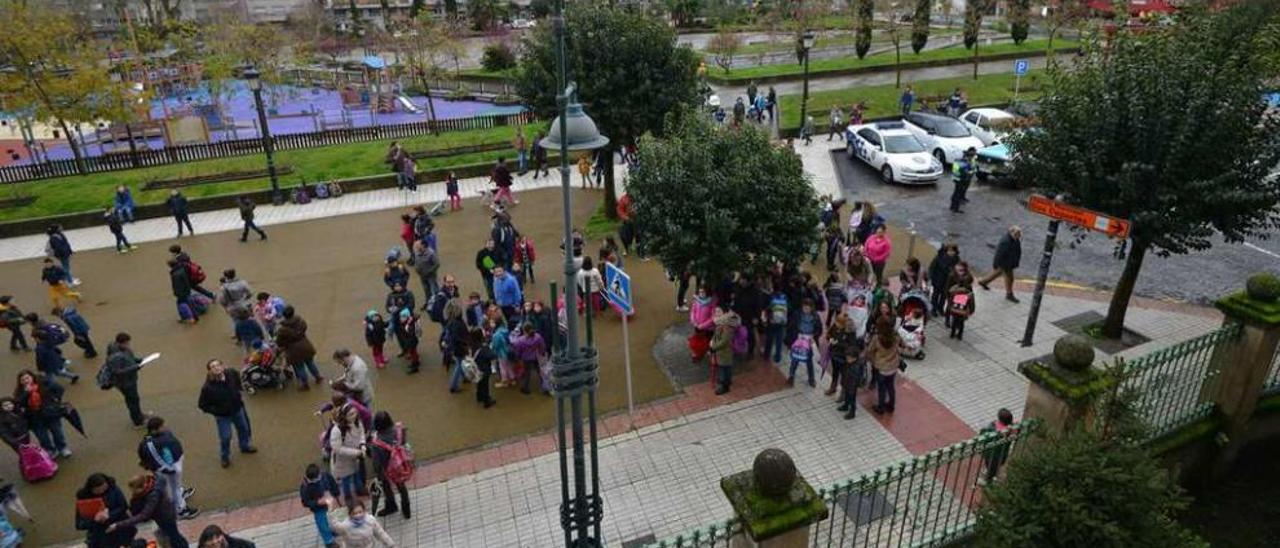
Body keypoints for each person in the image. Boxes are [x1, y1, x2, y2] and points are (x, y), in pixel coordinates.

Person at [197, 360, 257, 468]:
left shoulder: (231, 373)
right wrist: (217, 411)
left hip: (237, 409)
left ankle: (244, 446)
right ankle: (225, 457)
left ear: (222, 366)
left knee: (244, 429)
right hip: (223, 416)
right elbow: (202, 405)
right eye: (213, 367)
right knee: (225, 437)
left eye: (218, 365)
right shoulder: (208, 388)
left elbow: (238, 381)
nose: (216, 368)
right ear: (210, 371)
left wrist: (238, 393)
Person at [136, 416, 198, 519]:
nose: (165, 427)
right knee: (172, 488)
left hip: (174, 463)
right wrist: (167, 469)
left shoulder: (164, 433)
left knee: (177, 485)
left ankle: (180, 494)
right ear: (154, 429)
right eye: (162, 426)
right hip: (167, 469)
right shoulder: (150, 443)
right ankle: (181, 509)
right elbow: (157, 458)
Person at [107, 473, 188, 548]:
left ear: (142, 486)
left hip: (165, 518)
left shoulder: (153, 496)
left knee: (174, 537)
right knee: (172, 535)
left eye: (134, 490)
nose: (133, 492)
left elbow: (144, 515)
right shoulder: (151, 486)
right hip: (165, 515)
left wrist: (118, 525)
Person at [13, 370, 70, 457]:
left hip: (50, 413)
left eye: (27, 378)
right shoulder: (19, 392)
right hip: (34, 417)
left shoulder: (42, 384)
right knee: (43, 437)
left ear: (32, 377)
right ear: (20, 382)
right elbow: (18, 404)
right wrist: (26, 393)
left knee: (57, 432)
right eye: (23, 380)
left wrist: (56, 400)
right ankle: (50, 450)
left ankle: (62, 448)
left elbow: (59, 389)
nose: (26, 381)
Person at [367, 411, 411, 519]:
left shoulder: (377, 442)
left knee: (386, 486)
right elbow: (403, 442)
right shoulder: (398, 430)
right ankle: (406, 510)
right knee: (401, 487)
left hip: (387, 468)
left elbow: (376, 463)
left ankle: (391, 506)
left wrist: (378, 475)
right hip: (399, 464)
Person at [76, 473, 137, 548]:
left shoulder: (113, 488)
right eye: (98, 491)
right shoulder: (84, 498)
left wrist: (109, 515)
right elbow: (79, 524)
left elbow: (123, 506)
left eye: (104, 489)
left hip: (121, 529)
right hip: (101, 536)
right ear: (91, 489)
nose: (102, 492)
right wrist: (95, 520)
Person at [327, 403, 366, 510]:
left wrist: (362, 445)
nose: (354, 416)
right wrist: (356, 452)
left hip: (355, 456)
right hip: (343, 461)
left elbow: (362, 433)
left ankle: (360, 489)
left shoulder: (357, 422)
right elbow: (337, 448)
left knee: (356, 473)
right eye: (350, 414)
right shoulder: (337, 430)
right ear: (344, 416)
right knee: (346, 480)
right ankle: (348, 497)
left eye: (355, 413)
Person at [276, 306, 323, 391]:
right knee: (310, 363)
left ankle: (305, 384)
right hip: (305, 345)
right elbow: (304, 329)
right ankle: (318, 377)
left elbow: (279, 342)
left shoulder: (282, 329)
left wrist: (284, 344)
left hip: (293, 350)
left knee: (299, 367)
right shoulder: (301, 322)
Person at [105, 333, 147, 428]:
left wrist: (138, 360)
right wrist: (135, 367)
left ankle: (138, 415)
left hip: (129, 380)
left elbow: (130, 358)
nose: (128, 345)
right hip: (125, 382)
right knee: (133, 400)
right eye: (126, 343)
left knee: (134, 399)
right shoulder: (115, 357)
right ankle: (137, 421)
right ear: (120, 343)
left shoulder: (116, 348)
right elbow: (117, 371)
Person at [978, 226, 1023, 303]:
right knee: (1010, 278)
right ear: (1011, 232)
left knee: (996, 273)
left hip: (1008, 263)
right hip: (1005, 264)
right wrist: (995, 264)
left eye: (1019, 234)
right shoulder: (1006, 242)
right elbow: (999, 254)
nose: (1019, 235)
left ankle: (983, 282)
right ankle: (1009, 294)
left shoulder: (1015, 239)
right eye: (1017, 234)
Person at [299, 463, 340, 547]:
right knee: (322, 524)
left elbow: (333, 484)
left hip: (329, 502)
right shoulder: (305, 486)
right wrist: (317, 502)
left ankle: (333, 531)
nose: (316, 481)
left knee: (332, 520)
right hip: (318, 509)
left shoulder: (325, 475)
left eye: (317, 479)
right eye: (313, 481)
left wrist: (336, 494)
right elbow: (305, 502)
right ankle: (329, 541)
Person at [866, 317, 901, 414]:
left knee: (881, 389)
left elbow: (869, 351)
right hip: (893, 366)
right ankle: (891, 405)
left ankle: (880, 407)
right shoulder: (895, 336)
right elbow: (901, 344)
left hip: (881, 367)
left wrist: (873, 360)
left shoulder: (877, 338)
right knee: (891, 386)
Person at [328, 501, 395, 547]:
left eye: (360, 512)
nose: (358, 515)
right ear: (349, 514)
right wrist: (330, 513)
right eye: (355, 513)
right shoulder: (346, 525)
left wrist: (390, 544)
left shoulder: (370, 520)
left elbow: (380, 533)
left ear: (364, 510)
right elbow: (335, 526)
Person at [978, 408, 1016, 486]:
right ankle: (990, 472)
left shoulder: (993, 429)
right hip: (1002, 454)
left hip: (992, 453)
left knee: (991, 465)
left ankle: (987, 481)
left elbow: (983, 434)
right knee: (995, 465)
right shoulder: (1010, 429)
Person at [708, 304, 741, 395]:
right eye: (715, 312)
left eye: (719, 311)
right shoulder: (721, 322)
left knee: (724, 368)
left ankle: (724, 386)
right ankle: (726, 381)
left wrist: (713, 346)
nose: (716, 313)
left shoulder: (726, 324)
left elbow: (724, 340)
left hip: (724, 351)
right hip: (722, 351)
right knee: (724, 367)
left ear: (724, 313)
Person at [510, 322, 547, 395]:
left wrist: (518, 357)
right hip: (536, 356)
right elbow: (542, 346)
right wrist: (542, 353)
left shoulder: (520, 340)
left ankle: (525, 388)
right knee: (540, 371)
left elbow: (518, 351)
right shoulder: (538, 337)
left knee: (527, 373)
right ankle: (545, 385)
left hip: (526, 359)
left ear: (524, 330)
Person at [217, 270, 254, 335]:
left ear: (226, 277)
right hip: (243, 304)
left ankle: (237, 334)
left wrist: (225, 307)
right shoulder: (242, 283)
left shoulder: (223, 287)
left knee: (235, 320)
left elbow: (222, 300)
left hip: (231, 307)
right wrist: (244, 299)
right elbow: (250, 293)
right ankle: (250, 330)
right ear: (234, 275)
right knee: (247, 318)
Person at [927, 243, 960, 317]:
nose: (951, 253)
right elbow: (932, 268)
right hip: (938, 280)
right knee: (935, 295)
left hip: (948, 282)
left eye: (953, 251)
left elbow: (958, 270)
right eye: (949, 251)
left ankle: (940, 308)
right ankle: (934, 309)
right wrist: (930, 277)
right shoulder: (939, 257)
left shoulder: (956, 259)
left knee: (944, 296)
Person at [468, 328, 497, 408]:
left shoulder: (472, 345)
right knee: (485, 386)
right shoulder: (483, 347)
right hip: (485, 369)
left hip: (476, 368)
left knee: (479, 384)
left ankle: (479, 397)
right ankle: (487, 401)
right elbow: (492, 356)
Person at [169, 259, 198, 325]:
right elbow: (186, 281)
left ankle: (190, 318)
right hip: (186, 290)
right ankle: (193, 318)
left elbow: (175, 285)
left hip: (181, 292)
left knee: (180, 305)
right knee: (189, 304)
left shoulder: (174, 274)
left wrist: (176, 292)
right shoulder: (182, 270)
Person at [950, 147, 977, 213]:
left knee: (956, 192)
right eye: (972, 156)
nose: (972, 158)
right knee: (958, 194)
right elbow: (965, 172)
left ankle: (952, 207)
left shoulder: (960, 160)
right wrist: (970, 172)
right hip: (961, 179)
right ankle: (955, 209)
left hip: (956, 178)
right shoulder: (965, 162)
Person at [395, 308, 422, 374]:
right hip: (411, 341)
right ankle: (415, 362)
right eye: (400, 317)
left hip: (411, 342)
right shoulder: (407, 323)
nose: (401, 318)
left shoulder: (409, 325)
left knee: (413, 353)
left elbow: (410, 334)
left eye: (403, 317)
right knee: (413, 353)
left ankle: (415, 367)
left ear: (407, 317)